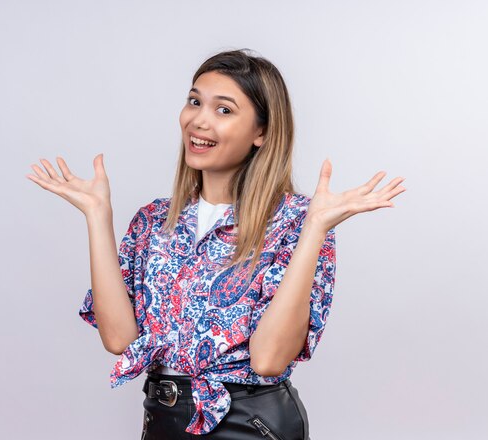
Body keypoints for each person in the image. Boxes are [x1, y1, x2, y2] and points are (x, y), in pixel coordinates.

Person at [26, 49, 406, 439]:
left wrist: (314, 231)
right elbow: (119, 339)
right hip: (162, 419)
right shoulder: (154, 220)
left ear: (261, 132)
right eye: (195, 102)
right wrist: (97, 216)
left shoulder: (296, 221)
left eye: (224, 110)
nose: (199, 120)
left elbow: (269, 359)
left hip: (249, 424)